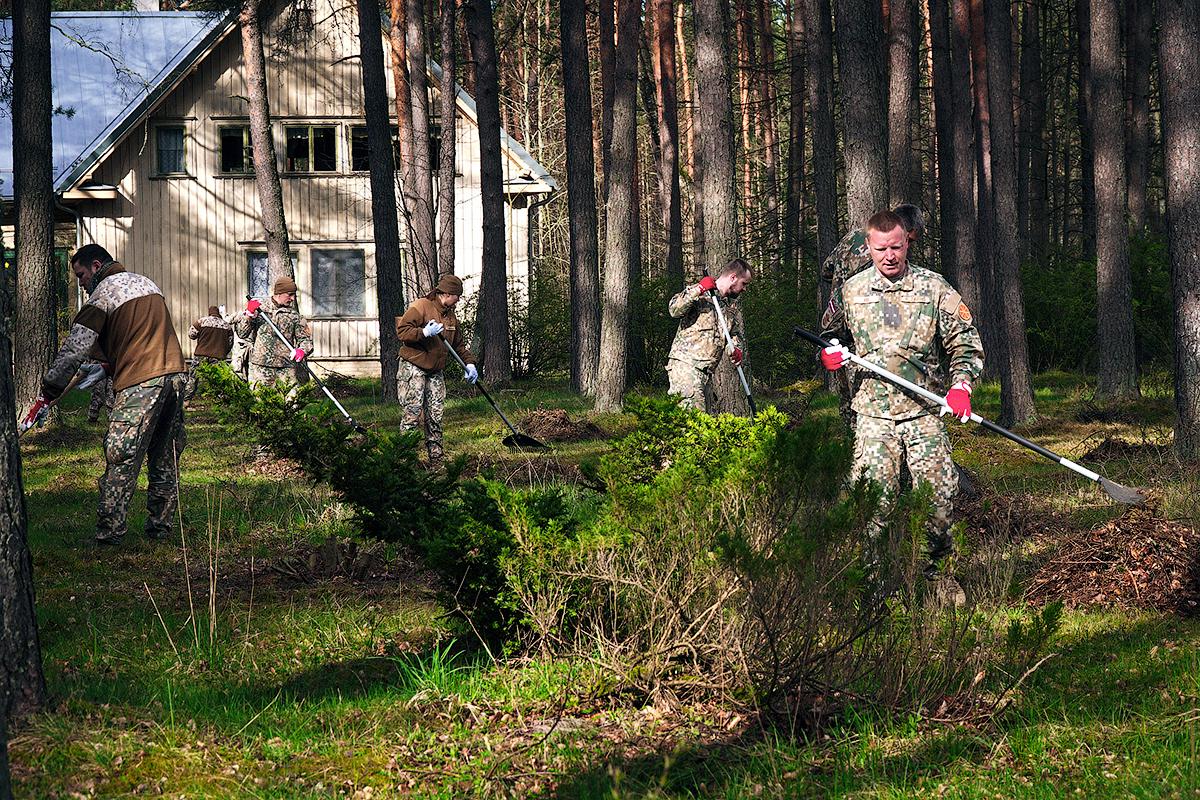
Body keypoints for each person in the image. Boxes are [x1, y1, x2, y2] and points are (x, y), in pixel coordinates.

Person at [819, 210, 983, 605]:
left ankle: (936, 578)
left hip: (925, 411)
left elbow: (965, 344)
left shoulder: (934, 288)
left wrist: (961, 386)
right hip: (873, 415)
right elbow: (829, 334)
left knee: (940, 497)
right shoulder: (851, 291)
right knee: (873, 501)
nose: (889, 256)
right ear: (868, 247)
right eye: (880, 249)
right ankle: (873, 588)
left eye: (896, 246)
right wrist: (831, 355)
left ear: (907, 241)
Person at [20, 244, 187, 545]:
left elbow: (74, 349)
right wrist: (107, 366)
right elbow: (139, 335)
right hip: (175, 376)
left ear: (96, 266)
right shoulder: (146, 283)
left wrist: (48, 391)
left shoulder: (104, 294)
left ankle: (109, 534)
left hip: (141, 381)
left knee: (121, 455)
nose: (81, 284)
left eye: (81, 276)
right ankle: (160, 529)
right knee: (165, 457)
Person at [821, 204, 927, 431]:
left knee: (846, 396)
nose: (908, 246)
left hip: (835, 326)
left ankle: (852, 447)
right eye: (910, 239)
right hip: (862, 331)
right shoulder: (883, 254)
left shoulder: (854, 236)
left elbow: (826, 270)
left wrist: (839, 282)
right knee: (867, 399)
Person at [395, 274, 478, 467]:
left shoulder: (451, 316)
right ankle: (406, 460)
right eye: (457, 295)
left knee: (435, 414)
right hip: (414, 366)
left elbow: (458, 345)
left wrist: (469, 364)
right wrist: (423, 333)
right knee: (413, 413)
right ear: (447, 294)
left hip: (435, 370)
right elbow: (402, 331)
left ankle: (436, 458)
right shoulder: (421, 306)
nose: (458, 299)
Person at [665, 258, 753, 413]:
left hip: (706, 374)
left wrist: (735, 349)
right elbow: (674, 309)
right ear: (733, 278)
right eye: (744, 283)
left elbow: (733, 335)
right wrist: (698, 289)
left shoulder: (728, 308)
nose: (745, 289)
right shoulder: (701, 293)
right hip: (686, 368)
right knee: (691, 424)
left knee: (705, 425)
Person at [233, 276, 314, 388]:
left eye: (294, 295)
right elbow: (242, 333)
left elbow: (306, 340)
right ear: (279, 293)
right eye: (289, 294)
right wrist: (248, 315)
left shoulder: (294, 315)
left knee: (290, 403)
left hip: (286, 367)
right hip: (260, 368)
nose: (292, 298)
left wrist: (302, 350)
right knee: (261, 403)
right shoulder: (260, 309)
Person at [184, 305, 235, 401]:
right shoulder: (226, 325)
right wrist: (223, 352)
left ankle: (186, 400)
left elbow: (191, 334)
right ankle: (220, 401)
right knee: (219, 379)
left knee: (193, 378)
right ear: (218, 313)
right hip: (218, 356)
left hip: (201, 355)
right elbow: (230, 343)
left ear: (209, 312)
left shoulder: (202, 321)